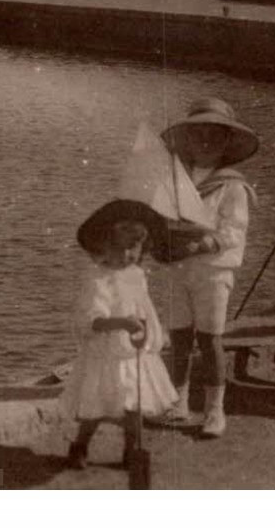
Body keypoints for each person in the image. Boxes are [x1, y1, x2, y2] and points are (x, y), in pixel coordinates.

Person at [157, 98, 259, 437]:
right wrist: (160, 243)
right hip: (178, 269)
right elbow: (160, 218)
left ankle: (215, 410)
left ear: (226, 143)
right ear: (186, 139)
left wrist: (201, 243)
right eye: (197, 135)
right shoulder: (175, 179)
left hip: (213, 271)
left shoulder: (232, 185)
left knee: (210, 338)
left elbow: (233, 231)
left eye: (213, 137)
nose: (204, 143)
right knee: (179, 337)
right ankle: (178, 401)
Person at [61, 200, 179, 469]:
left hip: (133, 354)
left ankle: (132, 448)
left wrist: (152, 332)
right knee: (95, 405)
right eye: (121, 248)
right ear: (105, 247)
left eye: (134, 248)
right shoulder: (98, 280)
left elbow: (144, 307)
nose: (128, 254)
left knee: (134, 406)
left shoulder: (136, 275)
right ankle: (80, 445)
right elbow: (92, 322)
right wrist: (122, 324)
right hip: (106, 355)